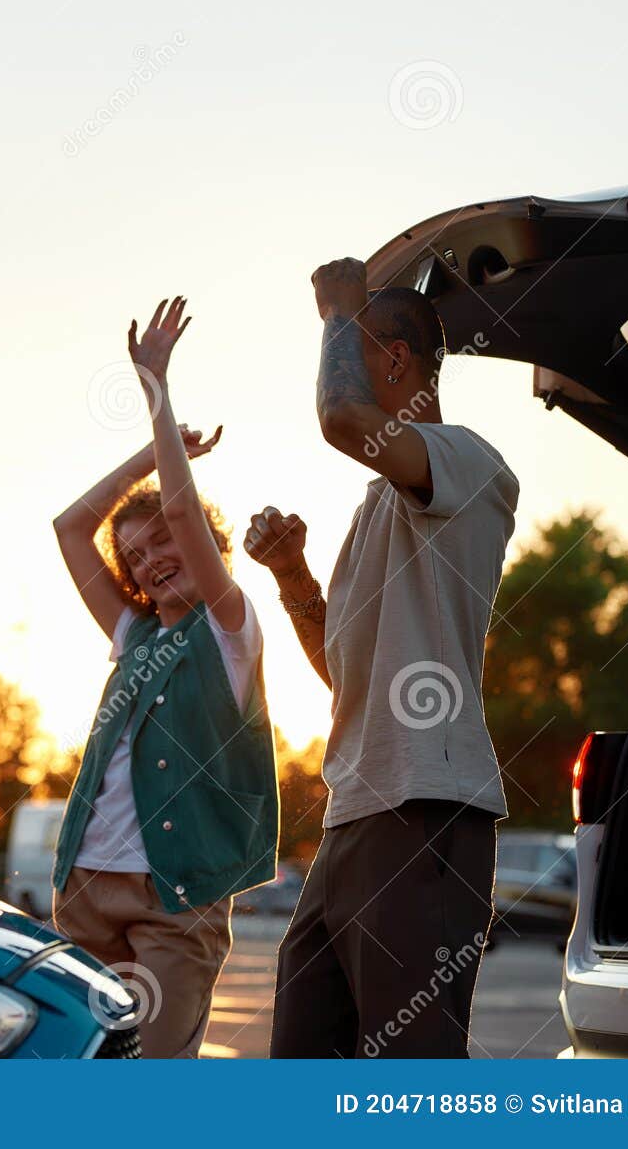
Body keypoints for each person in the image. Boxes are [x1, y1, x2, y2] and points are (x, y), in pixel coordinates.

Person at [246, 260, 519, 1058]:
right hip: (351, 816)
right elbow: (344, 675)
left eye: (356, 345)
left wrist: (336, 309)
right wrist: (292, 573)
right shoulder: (378, 504)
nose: (342, 357)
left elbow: (340, 416)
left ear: (395, 359)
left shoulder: (468, 463)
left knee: (412, 1086)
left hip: (426, 811)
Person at [50, 297, 278, 1058]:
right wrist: (148, 457)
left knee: (157, 1073)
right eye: (136, 556)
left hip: (177, 893)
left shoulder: (228, 627)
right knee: (81, 1066)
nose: (151, 560)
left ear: (205, 540)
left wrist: (157, 392)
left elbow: (181, 511)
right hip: (85, 883)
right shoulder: (132, 632)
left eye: (163, 542)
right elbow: (70, 527)